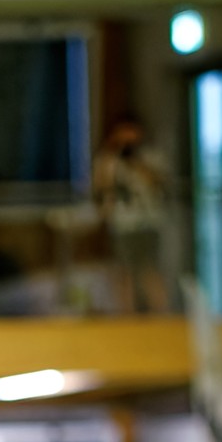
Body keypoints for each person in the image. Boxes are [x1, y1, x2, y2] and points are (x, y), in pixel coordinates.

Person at [91, 117, 169, 314]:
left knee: (149, 270)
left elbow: (158, 182)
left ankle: (161, 314)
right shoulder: (108, 159)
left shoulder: (150, 155)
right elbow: (101, 187)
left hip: (148, 221)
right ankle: (128, 315)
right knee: (124, 272)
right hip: (121, 222)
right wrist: (112, 158)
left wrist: (136, 162)